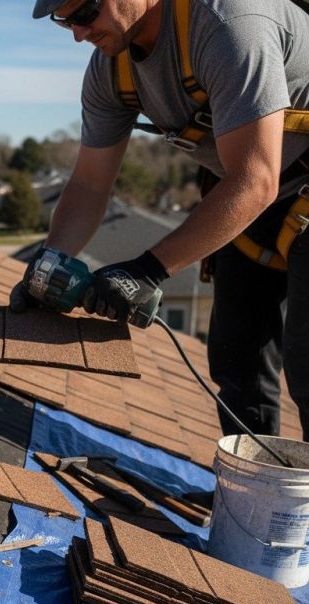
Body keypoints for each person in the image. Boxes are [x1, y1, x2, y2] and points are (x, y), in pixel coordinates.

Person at [18, 0, 309, 441]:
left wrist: (147, 271)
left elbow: (256, 180)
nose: (78, 33)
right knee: (238, 363)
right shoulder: (110, 70)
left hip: (268, 182)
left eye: (85, 13)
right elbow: (90, 186)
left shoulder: (230, 26)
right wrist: (49, 261)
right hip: (245, 190)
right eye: (64, 21)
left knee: (307, 367)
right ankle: (248, 498)